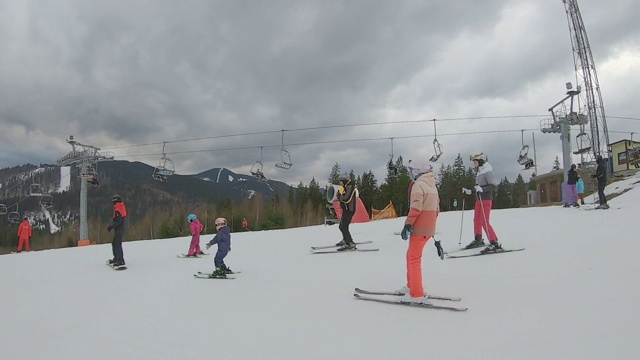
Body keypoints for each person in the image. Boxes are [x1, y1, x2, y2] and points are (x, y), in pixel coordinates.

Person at [398, 159, 441, 304]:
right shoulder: (432, 185)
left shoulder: (419, 185)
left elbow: (416, 208)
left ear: (417, 171)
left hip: (419, 227)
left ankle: (416, 294)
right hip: (428, 228)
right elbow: (437, 209)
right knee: (411, 255)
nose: (411, 173)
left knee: (413, 258)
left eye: (412, 170)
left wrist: (407, 224)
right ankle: (411, 286)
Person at [462, 153, 501, 253]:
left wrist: (482, 189)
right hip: (479, 200)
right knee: (476, 220)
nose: (474, 164)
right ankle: (478, 239)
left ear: (480, 162)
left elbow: (493, 186)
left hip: (486, 200)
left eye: (475, 162)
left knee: (484, 221)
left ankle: (494, 243)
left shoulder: (487, 171)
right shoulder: (479, 172)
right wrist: (470, 191)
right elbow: (478, 188)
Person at [334, 174, 357, 251]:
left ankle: (349, 243)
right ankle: (346, 240)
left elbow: (347, 198)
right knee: (342, 226)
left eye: (340, 181)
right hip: (346, 210)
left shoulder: (350, 187)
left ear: (344, 181)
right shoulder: (346, 187)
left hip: (349, 210)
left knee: (344, 226)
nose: (340, 183)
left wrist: (340, 196)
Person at [107, 194, 127, 267]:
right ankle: (117, 258)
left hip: (119, 230)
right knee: (115, 244)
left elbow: (118, 222)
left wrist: (111, 226)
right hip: (120, 230)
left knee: (117, 245)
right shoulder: (121, 207)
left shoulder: (118, 209)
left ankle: (120, 260)